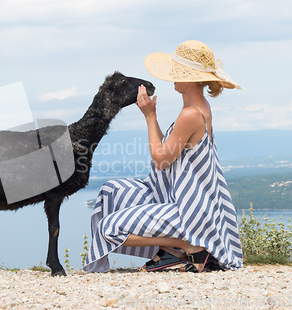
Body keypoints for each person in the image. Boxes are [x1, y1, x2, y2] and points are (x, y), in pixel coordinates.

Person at [83, 40, 243, 273]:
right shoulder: (197, 109)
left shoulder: (191, 114)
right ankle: (172, 252)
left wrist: (148, 117)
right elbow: (167, 150)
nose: (172, 77)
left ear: (189, 78)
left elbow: (160, 160)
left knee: (108, 229)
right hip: (186, 201)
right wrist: (153, 114)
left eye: (176, 73)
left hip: (189, 212)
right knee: (111, 191)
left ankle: (188, 246)